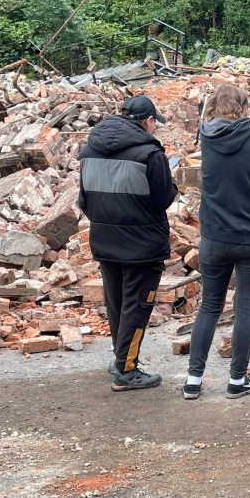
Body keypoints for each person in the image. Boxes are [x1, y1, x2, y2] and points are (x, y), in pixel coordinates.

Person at [184, 84, 250, 400]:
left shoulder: (208, 139)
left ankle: (193, 380)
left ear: (213, 108)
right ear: (245, 108)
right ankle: (237, 380)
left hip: (214, 237)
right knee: (245, 305)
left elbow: (222, 131)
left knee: (209, 306)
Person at [78, 95, 177, 391]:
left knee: (117, 304)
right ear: (148, 122)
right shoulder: (151, 155)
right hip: (142, 245)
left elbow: (84, 200)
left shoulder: (88, 151)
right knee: (136, 306)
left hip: (105, 239)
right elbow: (163, 199)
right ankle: (126, 369)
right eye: (154, 124)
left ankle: (120, 358)